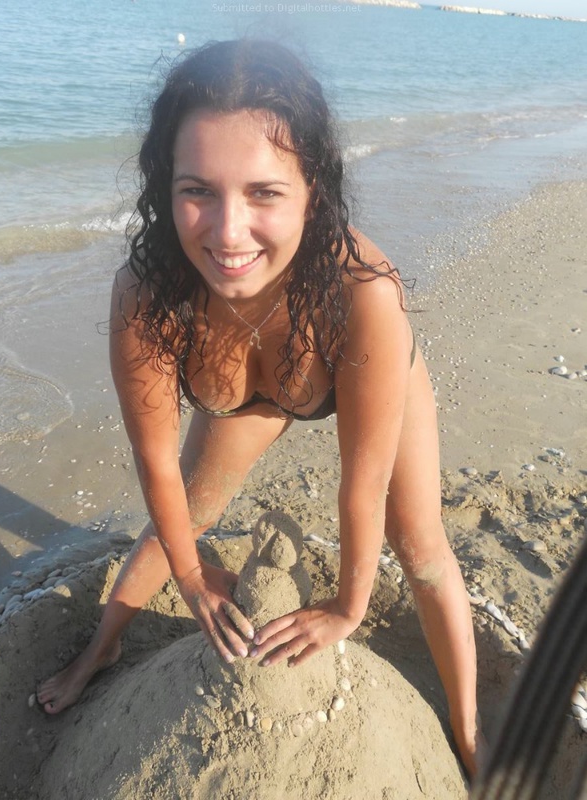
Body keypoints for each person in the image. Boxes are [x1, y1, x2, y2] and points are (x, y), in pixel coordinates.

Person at [37, 39, 482, 776]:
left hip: (349, 363)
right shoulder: (148, 295)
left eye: (264, 193)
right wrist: (190, 576)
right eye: (197, 190)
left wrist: (347, 606)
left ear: (314, 189)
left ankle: (469, 729)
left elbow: (362, 484)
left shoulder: (366, 295)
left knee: (421, 544)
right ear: (163, 184)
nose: (227, 231)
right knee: (186, 515)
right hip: (250, 397)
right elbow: (156, 463)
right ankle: (100, 649)